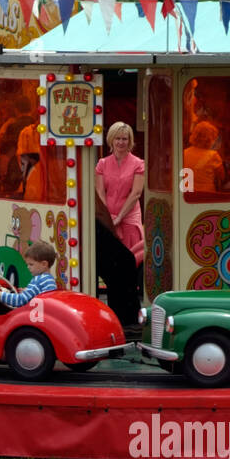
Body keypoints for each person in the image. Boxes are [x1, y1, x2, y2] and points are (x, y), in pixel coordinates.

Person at [95, 121, 145, 327]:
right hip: (108, 217)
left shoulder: (138, 163)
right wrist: (109, 218)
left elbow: (136, 193)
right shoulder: (102, 164)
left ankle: (131, 316)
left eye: (125, 139)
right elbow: (99, 192)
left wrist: (119, 218)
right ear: (111, 140)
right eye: (118, 138)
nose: (121, 142)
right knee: (112, 266)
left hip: (129, 218)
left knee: (129, 265)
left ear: (130, 141)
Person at [0, 240, 58, 307]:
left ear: (44, 264)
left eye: (31, 264)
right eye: (27, 264)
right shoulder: (49, 279)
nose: (28, 267)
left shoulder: (38, 280)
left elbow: (20, 300)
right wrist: (28, 291)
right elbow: (39, 294)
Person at [183, 121, 224, 193]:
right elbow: (221, 176)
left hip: (187, 193)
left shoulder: (184, 153)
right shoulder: (213, 155)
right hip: (206, 195)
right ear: (210, 139)